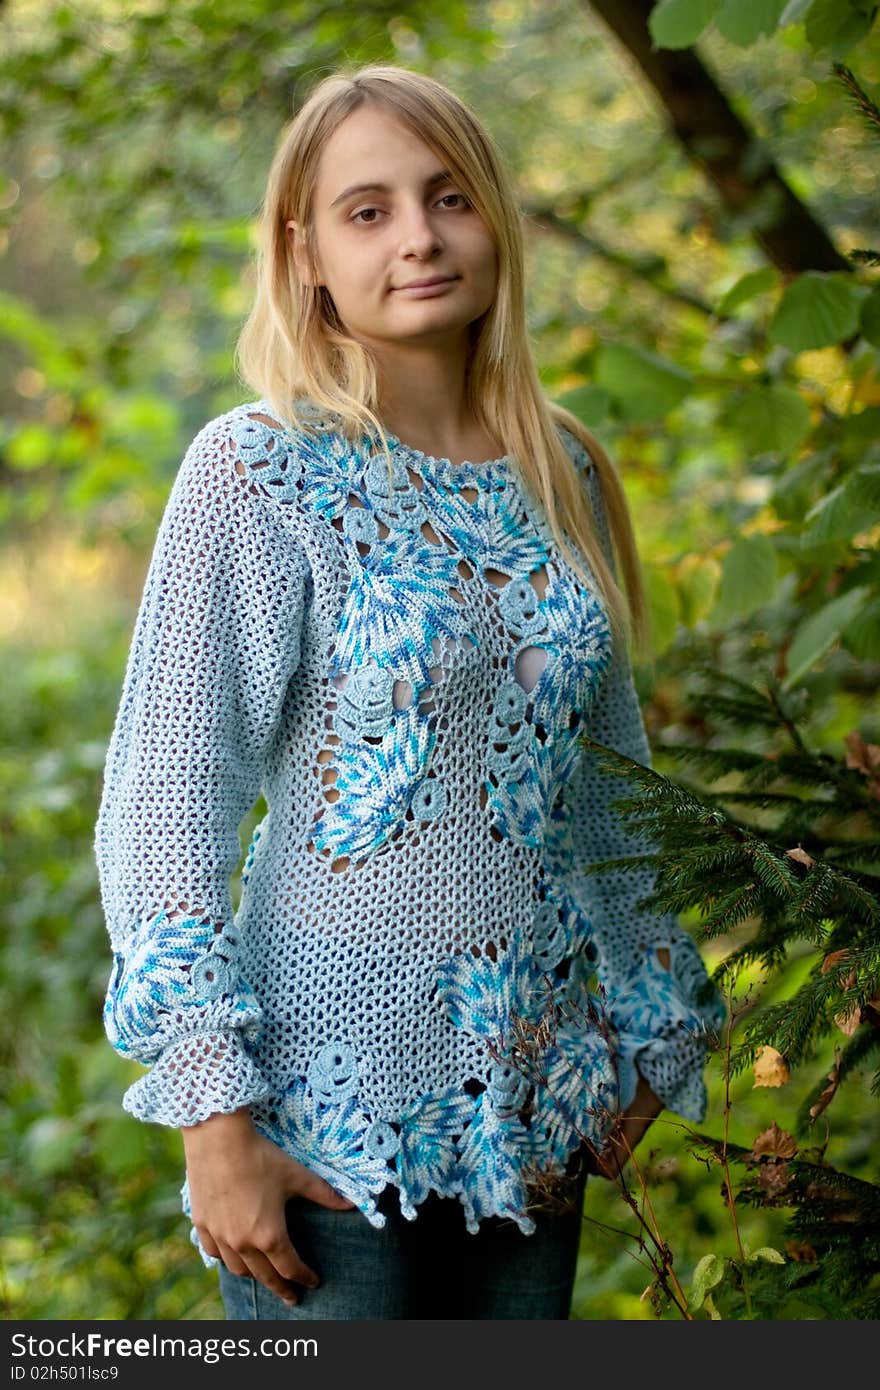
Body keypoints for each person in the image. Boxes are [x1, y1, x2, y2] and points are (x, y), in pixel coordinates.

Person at [93, 62, 725, 1322]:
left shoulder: (566, 474)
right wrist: (214, 1121)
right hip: (322, 1124)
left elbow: (608, 794)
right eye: (367, 209)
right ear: (307, 252)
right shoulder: (258, 471)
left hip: (530, 1115)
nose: (420, 237)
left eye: (448, 198)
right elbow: (163, 812)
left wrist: (660, 1025)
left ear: (494, 219)